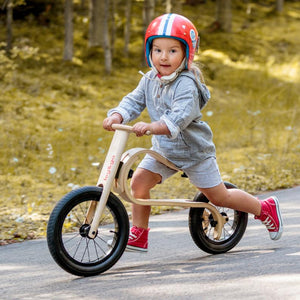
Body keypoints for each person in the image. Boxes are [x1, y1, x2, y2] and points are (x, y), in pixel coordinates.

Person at [103, 13, 283, 252]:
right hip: (165, 150)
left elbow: (178, 117)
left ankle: (265, 208)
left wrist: (150, 127)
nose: (164, 57)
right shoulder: (149, 79)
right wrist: (118, 115)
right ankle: (139, 234)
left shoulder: (187, 84)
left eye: (172, 51)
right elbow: (133, 101)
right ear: (149, 51)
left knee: (219, 198)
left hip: (194, 151)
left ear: (187, 53)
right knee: (138, 183)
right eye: (157, 50)